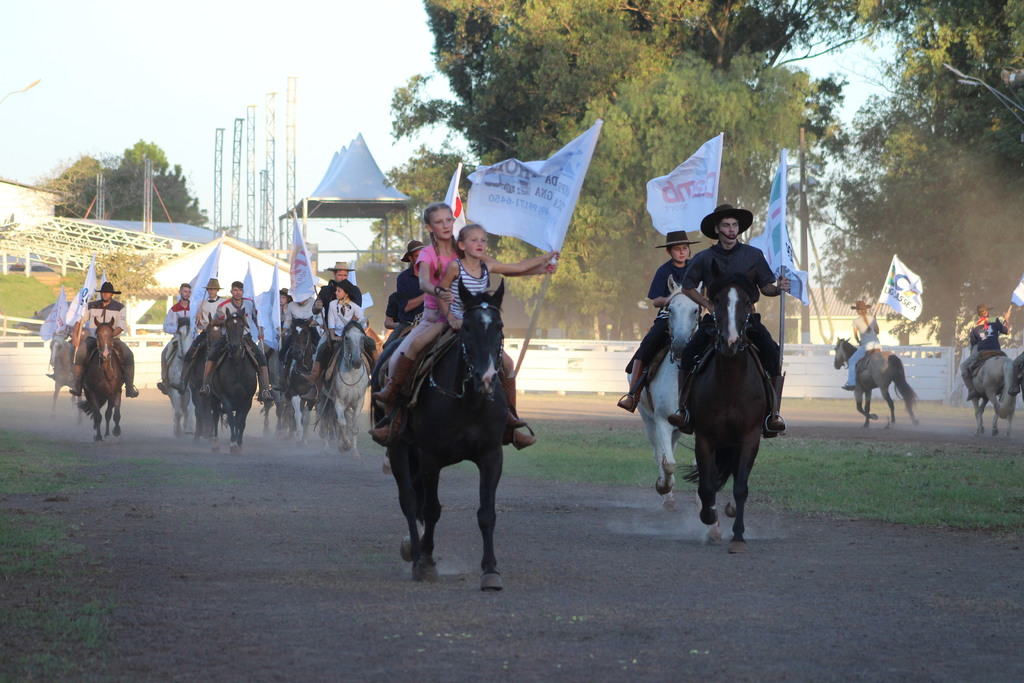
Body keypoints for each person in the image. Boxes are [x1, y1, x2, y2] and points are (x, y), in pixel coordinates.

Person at [372, 223, 556, 448]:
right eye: (474, 240)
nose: (480, 244)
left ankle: (509, 422)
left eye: (482, 240)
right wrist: (450, 317)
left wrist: (545, 262)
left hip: (475, 326)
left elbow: (516, 268)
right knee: (414, 346)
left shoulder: (486, 265)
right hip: (450, 322)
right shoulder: (453, 267)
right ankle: (394, 407)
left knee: (507, 364)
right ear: (461, 245)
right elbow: (442, 293)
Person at [670, 204, 790, 435]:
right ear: (717, 229)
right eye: (726, 225)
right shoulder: (704, 257)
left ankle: (773, 414)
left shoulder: (754, 255)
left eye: (734, 225)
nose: (731, 229)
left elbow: (766, 287)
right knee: (689, 352)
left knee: (772, 352)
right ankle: (683, 409)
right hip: (715, 320)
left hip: (748, 319)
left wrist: (779, 288)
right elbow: (687, 286)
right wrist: (708, 305)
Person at [369, 203, 459, 421]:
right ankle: (385, 391)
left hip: (448, 319)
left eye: (422, 253)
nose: (420, 257)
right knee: (390, 349)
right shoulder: (403, 279)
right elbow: (406, 307)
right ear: (409, 258)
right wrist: (428, 294)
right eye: (415, 255)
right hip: (410, 322)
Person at [616, 230, 699, 412]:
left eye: (684, 248)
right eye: (677, 249)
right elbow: (655, 300)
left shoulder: (696, 268)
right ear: (669, 252)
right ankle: (633, 395)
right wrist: (670, 300)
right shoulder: (664, 271)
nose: (682, 252)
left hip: (694, 317)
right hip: (667, 318)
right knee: (647, 346)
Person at [197, 280, 274, 402]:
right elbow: (214, 321)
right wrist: (227, 321)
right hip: (228, 337)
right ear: (231, 291)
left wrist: (261, 331)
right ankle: (206, 385)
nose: (238, 293)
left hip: (245, 337)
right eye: (235, 290)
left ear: (243, 291)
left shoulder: (250, 304)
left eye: (240, 290)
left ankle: (265, 390)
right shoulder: (224, 306)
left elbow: (256, 318)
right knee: (212, 354)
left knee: (261, 357)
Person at [69, 281, 139, 398]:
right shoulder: (91, 305)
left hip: (113, 339)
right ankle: (77, 384)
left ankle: (129, 386)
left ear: (112, 294)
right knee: (80, 353)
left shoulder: (120, 308)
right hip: (93, 339)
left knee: (129, 355)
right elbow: (80, 321)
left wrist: (109, 336)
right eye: (103, 293)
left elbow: (121, 326)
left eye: (108, 293)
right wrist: (75, 335)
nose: (105, 295)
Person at [300, 280, 365, 401]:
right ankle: (315, 379)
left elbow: (361, 321)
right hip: (335, 334)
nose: (336, 292)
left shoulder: (355, 307)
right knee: (322, 349)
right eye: (336, 290)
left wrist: (353, 328)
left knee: (369, 345)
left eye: (339, 291)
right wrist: (332, 336)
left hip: (351, 335)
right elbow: (331, 321)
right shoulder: (333, 304)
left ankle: (374, 373)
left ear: (346, 293)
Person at [960, 303, 1012, 400]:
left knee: (963, 366)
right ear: (987, 312)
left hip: (982, 351)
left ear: (979, 314)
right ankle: (1011, 387)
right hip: (997, 350)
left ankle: (971, 390)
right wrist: (1007, 319)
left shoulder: (975, 326)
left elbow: (974, 342)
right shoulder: (994, 320)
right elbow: (1007, 332)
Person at [157, 283, 192, 395]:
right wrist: (177, 330)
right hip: (178, 338)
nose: (187, 293)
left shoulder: (195, 308)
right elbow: (166, 326)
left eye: (188, 291)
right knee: (164, 353)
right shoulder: (174, 309)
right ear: (180, 292)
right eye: (185, 291)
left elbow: (199, 325)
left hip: (192, 339)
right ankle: (165, 380)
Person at [842, 300, 881, 390]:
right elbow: (877, 331)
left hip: (866, 345)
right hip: (877, 344)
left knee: (851, 361)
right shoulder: (872, 318)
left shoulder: (856, 321)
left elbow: (855, 334)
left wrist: (858, 341)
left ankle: (851, 383)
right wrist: (875, 321)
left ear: (858, 310)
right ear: (865, 309)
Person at [317, 261, 362, 333]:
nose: (343, 278)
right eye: (340, 275)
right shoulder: (325, 291)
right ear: (334, 274)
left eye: (345, 275)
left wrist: (348, 329)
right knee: (320, 344)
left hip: (350, 331)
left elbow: (357, 313)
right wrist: (317, 307)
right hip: (330, 331)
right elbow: (314, 310)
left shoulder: (355, 291)